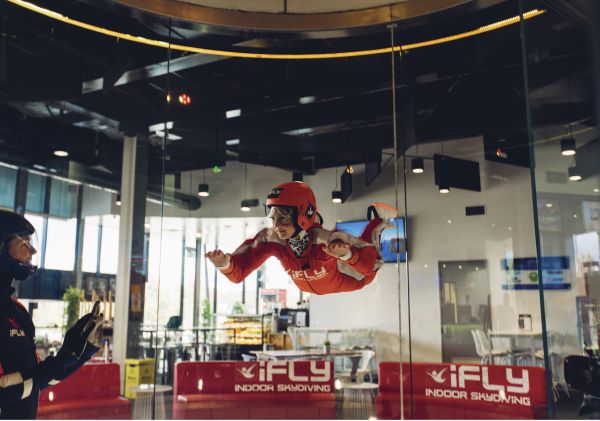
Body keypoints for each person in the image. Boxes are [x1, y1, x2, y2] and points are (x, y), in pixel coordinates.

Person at [0, 209, 103, 419]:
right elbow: (5, 392)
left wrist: (79, 351)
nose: (33, 251)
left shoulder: (18, 311)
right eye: (23, 243)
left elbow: (39, 380)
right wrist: (63, 359)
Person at [206, 181, 395, 295]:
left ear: (304, 214)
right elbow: (239, 272)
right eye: (273, 218)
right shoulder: (272, 239)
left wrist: (347, 254)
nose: (277, 225)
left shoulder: (325, 239)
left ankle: (376, 224)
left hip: (348, 279)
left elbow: (368, 263)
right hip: (314, 282)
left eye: (284, 218)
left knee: (372, 265)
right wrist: (226, 265)